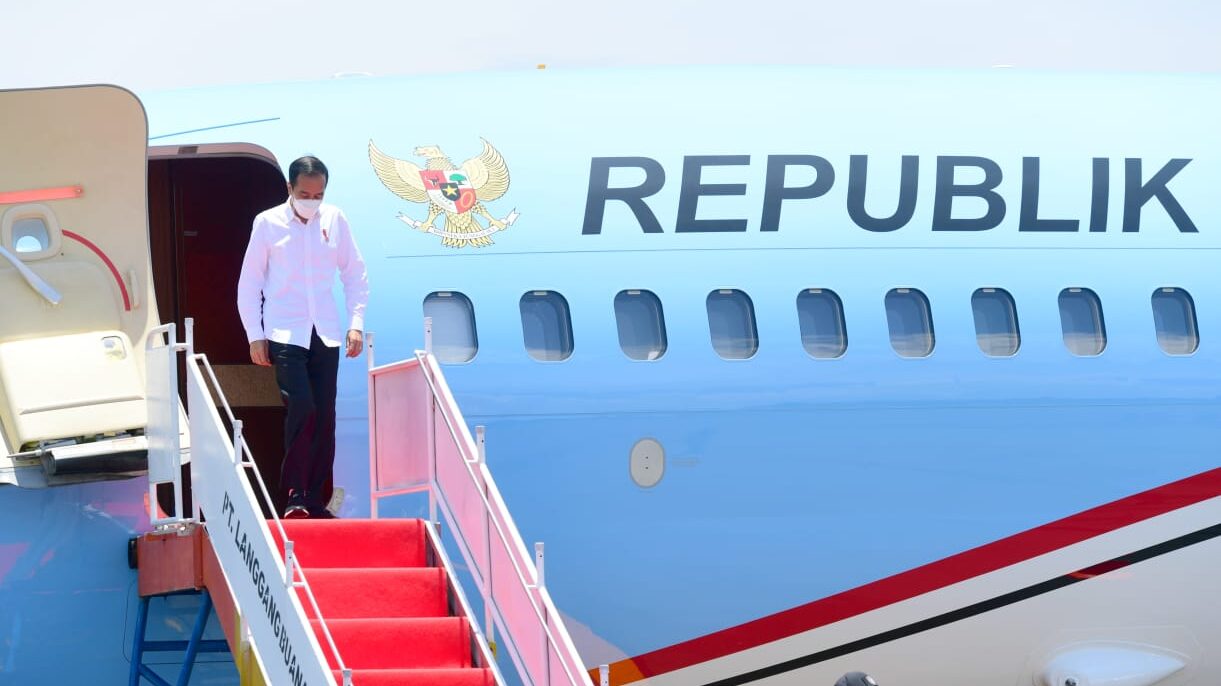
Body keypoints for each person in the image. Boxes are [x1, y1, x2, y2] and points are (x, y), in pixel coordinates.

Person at [237, 156, 368, 519]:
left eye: (319, 194)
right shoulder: (268, 223)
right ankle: (294, 492)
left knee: (325, 415)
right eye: (305, 194)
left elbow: (355, 274)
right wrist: (255, 335)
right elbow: (249, 283)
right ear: (290, 189)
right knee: (302, 408)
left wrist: (355, 322)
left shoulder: (335, 219)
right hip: (285, 332)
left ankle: (314, 497)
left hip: (324, 332)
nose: (312, 201)